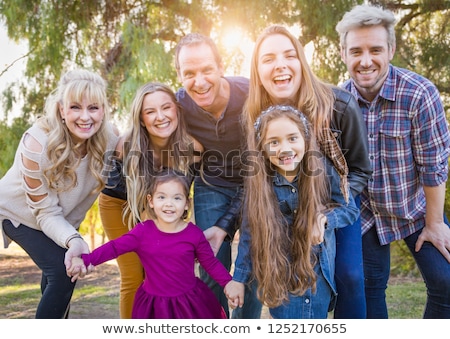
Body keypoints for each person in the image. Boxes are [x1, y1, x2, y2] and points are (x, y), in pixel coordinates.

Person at [242, 25, 372, 318]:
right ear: (257, 71)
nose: (280, 65)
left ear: (301, 61)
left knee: (349, 275)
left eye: (289, 55)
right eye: (268, 58)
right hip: (283, 207)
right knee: (284, 274)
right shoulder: (254, 114)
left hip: (336, 200)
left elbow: (361, 170)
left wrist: (327, 214)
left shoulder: (339, 104)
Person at [336, 4, 450, 319]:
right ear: (343, 53)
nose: (366, 60)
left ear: (391, 49)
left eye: (375, 49)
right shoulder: (337, 103)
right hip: (368, 214)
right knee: (371, 287)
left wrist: (435, 222)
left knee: (446, 283)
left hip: (417, 208)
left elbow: (434, 165)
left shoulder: (419, 94)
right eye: (356, 51)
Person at [0, 68, 119, 318]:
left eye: (94, 108)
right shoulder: (36, 143)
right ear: (61, 110)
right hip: (19, 214)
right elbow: (44, 212)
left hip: (61, 221)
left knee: (61, 277)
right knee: (61, 273)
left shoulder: (110, 138)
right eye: (75, 107)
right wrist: (74, 240)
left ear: (104, 111)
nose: (85, 117)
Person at [224, 105, 359, 318]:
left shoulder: (323, 172)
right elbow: (249, 236)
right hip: (281, 278)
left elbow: (349, 209)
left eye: (292, 138)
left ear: (305, 138)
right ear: (262, 148)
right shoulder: (260, 187)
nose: (284, 148)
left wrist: (325, 220)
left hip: (317, 276)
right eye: (274, 142)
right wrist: (238, 279)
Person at [67, 169, 238, 319]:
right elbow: (114, 248)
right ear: (151, 201)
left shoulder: (193, 234)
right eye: (162, 197)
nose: (169, 203)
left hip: (189, 303)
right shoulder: (142, 232)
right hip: (154, 304)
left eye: (177, 198)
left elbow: (210, 263)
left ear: (187, 203)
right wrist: (85, 259)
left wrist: (228, 283)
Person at [174, 32, 262, 318]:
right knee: (211, 267)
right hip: (211, 186)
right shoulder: (178, 105)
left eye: (206, 70)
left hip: (256, 184)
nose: (199, 82)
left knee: (252, 269)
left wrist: (226, 223)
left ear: (221, 66)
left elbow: (259, 170)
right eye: (189, 73)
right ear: (179, 75)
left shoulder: (251, 95)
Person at [98, 81, 202, 318]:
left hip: (158, 208)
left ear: (176, 110)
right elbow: (140, 209)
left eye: (166, 107)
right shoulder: (127, 146)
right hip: (120, 205)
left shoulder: (193, 148)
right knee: (134, 275)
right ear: (141, 118)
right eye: (150, 111)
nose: (160, 117)